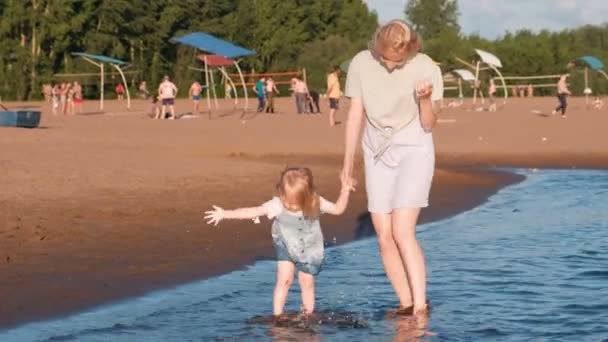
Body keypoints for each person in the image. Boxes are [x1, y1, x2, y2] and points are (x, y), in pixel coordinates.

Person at [341, 19, 443, 316]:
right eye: (384, 57)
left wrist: (424, 100)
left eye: (397, 61)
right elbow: (355, 115)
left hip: (414, 147)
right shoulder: (361, 63)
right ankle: (405, 303)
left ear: (410, 50)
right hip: (376, 150)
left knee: (402, 230)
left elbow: (429, 122)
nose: (389, 65)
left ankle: (420, 308)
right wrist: (347, 165)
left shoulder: (426, 67)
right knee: (383, 233)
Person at [204, 167, 353, 317]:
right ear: (281, 194)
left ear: (308, 196)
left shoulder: (316, 201)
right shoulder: (277, 204)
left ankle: (308, 315)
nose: (291, 207)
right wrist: (225, 214)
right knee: (285, 280)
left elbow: (338, 209)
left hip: (309, 248)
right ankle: (277, 316)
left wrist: (345, 190)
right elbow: (253, 211)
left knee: (306, 282)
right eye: (288, 202)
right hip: (285, 244)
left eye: (296, 205)